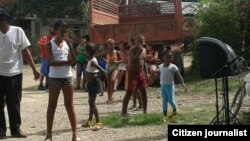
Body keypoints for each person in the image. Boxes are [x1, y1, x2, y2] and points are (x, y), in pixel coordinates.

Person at [0, 6, 40, 139]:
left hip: (15, 74)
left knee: (14, 103)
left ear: (5, 19)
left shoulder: (17, 31)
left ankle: (15, 129)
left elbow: (25, 51)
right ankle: (1, 131)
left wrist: (34, 69)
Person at [44, 20, 81, 141]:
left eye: (66, 32)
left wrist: (70, 46)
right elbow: (51, 62)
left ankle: (75, 134)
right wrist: (67, 62)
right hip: (54, 78)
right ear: (55, 31)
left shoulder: (67, 44)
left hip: (67, 77)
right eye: (62, 31)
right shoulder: (49, 44)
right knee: (52, 105)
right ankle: (49, 135)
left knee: (69, 105)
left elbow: (74, 61)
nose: (64, 34)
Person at [121, 34, 148, 116]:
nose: (139, 43)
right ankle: (124, 111)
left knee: (143, 91)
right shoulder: (132, 49)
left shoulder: (144, 50)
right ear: (135, 42)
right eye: (138, 41)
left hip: (141, 72)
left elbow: (144, 61)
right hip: (132, 72)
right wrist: (138, 53)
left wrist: (147, 72)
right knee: (129, 92)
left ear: (144, 42)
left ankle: (145, 110)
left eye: (141, 41)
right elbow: (132, 60)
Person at [81, 44, 106, 130]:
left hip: (94, 83)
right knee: (90, 102)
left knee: (92, 103)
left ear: (88, 52)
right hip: (90, 83)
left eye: (86, 51)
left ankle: (99, 122)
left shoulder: (93, 61)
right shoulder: (90, 59)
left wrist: (95, 76)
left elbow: (102, 71)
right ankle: (90, 121)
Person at [158, 50, 187, 123]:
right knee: (164, 101)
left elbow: (178, 76)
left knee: (170, 100)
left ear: (172, 58)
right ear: (163, 58)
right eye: (166, 57)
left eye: (170, 58)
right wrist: (151, 79)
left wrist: (183, 84)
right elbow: (158, 75)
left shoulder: (173, 67)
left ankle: (175, 109)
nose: (168, 59)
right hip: (163, 86)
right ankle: (165, 116)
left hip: (170, 86)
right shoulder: (160, 66)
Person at [105, 39, 121, 104]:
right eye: (109, 44)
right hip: (108, 68)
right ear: (108, 45)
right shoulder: (106, 52)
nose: (111, 45)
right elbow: (100, 56)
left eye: (112, 44)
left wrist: (117, 61)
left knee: (113, 80)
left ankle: (111, 96)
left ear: (114, 45)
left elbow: (123, 60)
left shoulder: (117, 52)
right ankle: (109, 97)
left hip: (115, 67)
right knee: (108, 83)